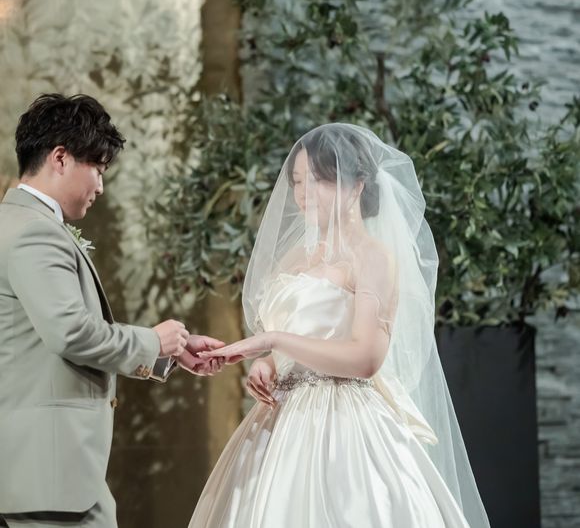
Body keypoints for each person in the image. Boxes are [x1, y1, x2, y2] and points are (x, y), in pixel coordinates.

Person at [191, 123, 490, 527]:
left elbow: (366, 359)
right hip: (279, 422)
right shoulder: (295, 258)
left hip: (343, 422)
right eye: (298, 181)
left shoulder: (373, 258)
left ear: (356, 186)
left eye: (318, 180)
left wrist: (273, 340)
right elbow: (293, 341)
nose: (304, 193)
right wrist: (269, 363)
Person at [0, 94, 224, 528]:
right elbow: (71, 333)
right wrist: (153, 340)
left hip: (38, 468)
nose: (101, 187)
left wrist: (169, 350)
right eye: (98, 170)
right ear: (60, 158)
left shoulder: (16, 223)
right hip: (50, 472)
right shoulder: (34, 233)